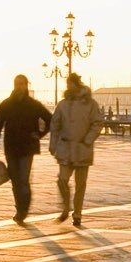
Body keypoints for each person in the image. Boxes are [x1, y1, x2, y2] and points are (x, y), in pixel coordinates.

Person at [0, 74, 51, 224]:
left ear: (26, 85)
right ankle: (19, 208)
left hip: (28, 147)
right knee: (15, 180)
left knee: (23, 179)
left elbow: (50, 119)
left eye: (22, 84)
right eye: (17, 84)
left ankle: (23, 210)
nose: (20, 87)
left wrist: (40, 134)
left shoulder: (33, 104)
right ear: (14, 85)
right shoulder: (7, 104)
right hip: (11, 147)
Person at [49, 73, 104, 227]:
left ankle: (77, 214)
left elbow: (98, 123)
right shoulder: (63, 104)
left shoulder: (90, 104)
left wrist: (88, 139)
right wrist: (53, 145)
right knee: (62, 180)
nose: (69, 87)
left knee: (81, 184)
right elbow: (55, 126)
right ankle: (66, 206)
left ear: (76, 84)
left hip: (82, 149)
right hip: (65, 149)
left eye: (71, 84)